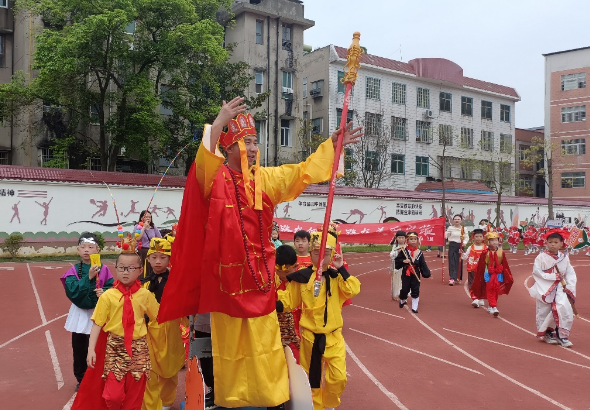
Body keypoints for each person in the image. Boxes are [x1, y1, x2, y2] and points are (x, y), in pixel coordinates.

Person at [158, 96, 363, 408]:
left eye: (255, 142)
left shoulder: (266, 178)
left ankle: (272, 396)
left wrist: (333, 146)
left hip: (260, 279)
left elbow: (303, 171)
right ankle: (231, 397)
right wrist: (219, 121)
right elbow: (202, 164)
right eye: (244, 142)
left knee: (266, 343)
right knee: (228, 347)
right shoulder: (215, 179)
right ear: (226, 149)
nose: (252, 149)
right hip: (226, 283)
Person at [277, 228, 360, 410]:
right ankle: (317, 407)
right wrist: (269, 301)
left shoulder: (338, 277)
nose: (321, 257)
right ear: (311, 253)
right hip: (310, 338)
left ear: (332, 254)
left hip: (333, 337)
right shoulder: (302, 278)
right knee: (312, 379)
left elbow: (352, 290)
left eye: (326, 253)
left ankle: (329, 404)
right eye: (316, 253)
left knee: (338, 378)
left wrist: (341, 269)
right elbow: (289, 301)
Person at [73, 243, 159, 410]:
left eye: (130, 268)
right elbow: (98, 323)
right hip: (115, 349)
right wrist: (91, 350)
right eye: (122, 268)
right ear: (116, 269)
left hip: (138, 349)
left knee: (134, 397)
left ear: (140, 270)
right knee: (113, 397)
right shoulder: (108, 296)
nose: (125, 272)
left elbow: (159, 317)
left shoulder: (145, 295)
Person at [60, 233, 114, 391]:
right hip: (80, 315)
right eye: (83, 247)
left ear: (98, 250)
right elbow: (71, 291)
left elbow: (112, 287)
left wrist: (104, 292)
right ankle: (82, 378)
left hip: (99, 313)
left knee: (100, 346)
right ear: (78, 250)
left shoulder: (104, 269)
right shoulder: (74, 271)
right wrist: (88, 278)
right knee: (79, 348)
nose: (86, 250)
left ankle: (99, 376)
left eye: (91, 247)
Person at [141, 238, 187, 410]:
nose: (158, 261)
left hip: (170, 330)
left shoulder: (176, 281)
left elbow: (184, 305)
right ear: (149, 259)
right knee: (148, 370)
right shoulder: (144, 283)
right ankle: (151, 404)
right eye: (154, 257)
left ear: (169, 259)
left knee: (170, 370)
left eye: (163, 257)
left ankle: (166, 402)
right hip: (149, 332)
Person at [528, 229, 577, 347]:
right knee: (545, 310)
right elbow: (537, 273)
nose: (553, 245)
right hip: (546, 288)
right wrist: (553, 276)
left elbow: (570, 273)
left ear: (561, 243)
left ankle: (562, 335)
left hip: (561, 287)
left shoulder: (564, 257)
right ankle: (547, 333)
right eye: (550, 242)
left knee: (564, 308)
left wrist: (569, 286)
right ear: (546, 243)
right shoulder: (541, 257)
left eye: (556, 242)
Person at [471, 231, 514, 317]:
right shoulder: (485, 252)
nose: (495, 242)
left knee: (496, 289)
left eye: (496, 240)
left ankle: (491, 306)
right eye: (492, 240)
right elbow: (481, 265)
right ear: (488, 242)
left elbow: (504, 264)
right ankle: (494, 306)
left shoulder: (501, 252)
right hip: (488, 273)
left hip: (498, 273)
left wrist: (506, 274)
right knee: (490, 288)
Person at [275, 244, 301, 363]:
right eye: (279, 271)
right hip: (277, 330)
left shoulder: (301, 280)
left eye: (287, 271)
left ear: (296, 267)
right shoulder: (271, 279)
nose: (282, 275)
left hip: (296, 330)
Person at [395, 231, 431, 313]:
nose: (413, 241)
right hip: (406, 273)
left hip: (415, 273)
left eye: (415, 239)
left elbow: (423, 264)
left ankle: (415, 307)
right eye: (411, 239)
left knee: (415, 289)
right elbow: (397, 261)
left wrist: (427, 273)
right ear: (407, 240)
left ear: (417, 240)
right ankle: (402, 300)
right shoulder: (404, 251)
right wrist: (404, 261)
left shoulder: (419, 253)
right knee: (405, 289)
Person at [461, 229, 487, 308]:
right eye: (476, 236)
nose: (478, 238)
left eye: (480, 236)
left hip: (482, 270)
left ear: (483, 238)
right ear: (473, 237)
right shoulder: (470, 247)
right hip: (472, 269)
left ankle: (481, 298)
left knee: (482, 284)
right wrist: (461, 254)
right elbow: (465, 257)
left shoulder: (486, 247)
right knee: (472, 284)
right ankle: (475, 298)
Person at [445, 215, 467, 286]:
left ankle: (458, 278)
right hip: (452, 245)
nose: (457, 220)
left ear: (461, 220)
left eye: (458, 219)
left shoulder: (464, 228)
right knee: (452, 261)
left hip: (460, 246)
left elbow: (466, 237)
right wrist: (444, 232)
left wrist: (464, 243)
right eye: (455, 219)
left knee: (459, 261)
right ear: (453, 220)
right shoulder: (450, 228)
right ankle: (452, 278)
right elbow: (446, 236)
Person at [389, 230, 406, 301]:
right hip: (397, 267)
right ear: (396, 238)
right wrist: (397, 252)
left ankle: (404, 294)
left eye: (403, 238)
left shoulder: (407, 246)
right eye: (399, 237)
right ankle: (397, 294)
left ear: (405, 238)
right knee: (397, 281)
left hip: (405, 266)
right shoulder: (395, 246)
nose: (401, 239)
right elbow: (391, 255)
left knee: (405, 281)